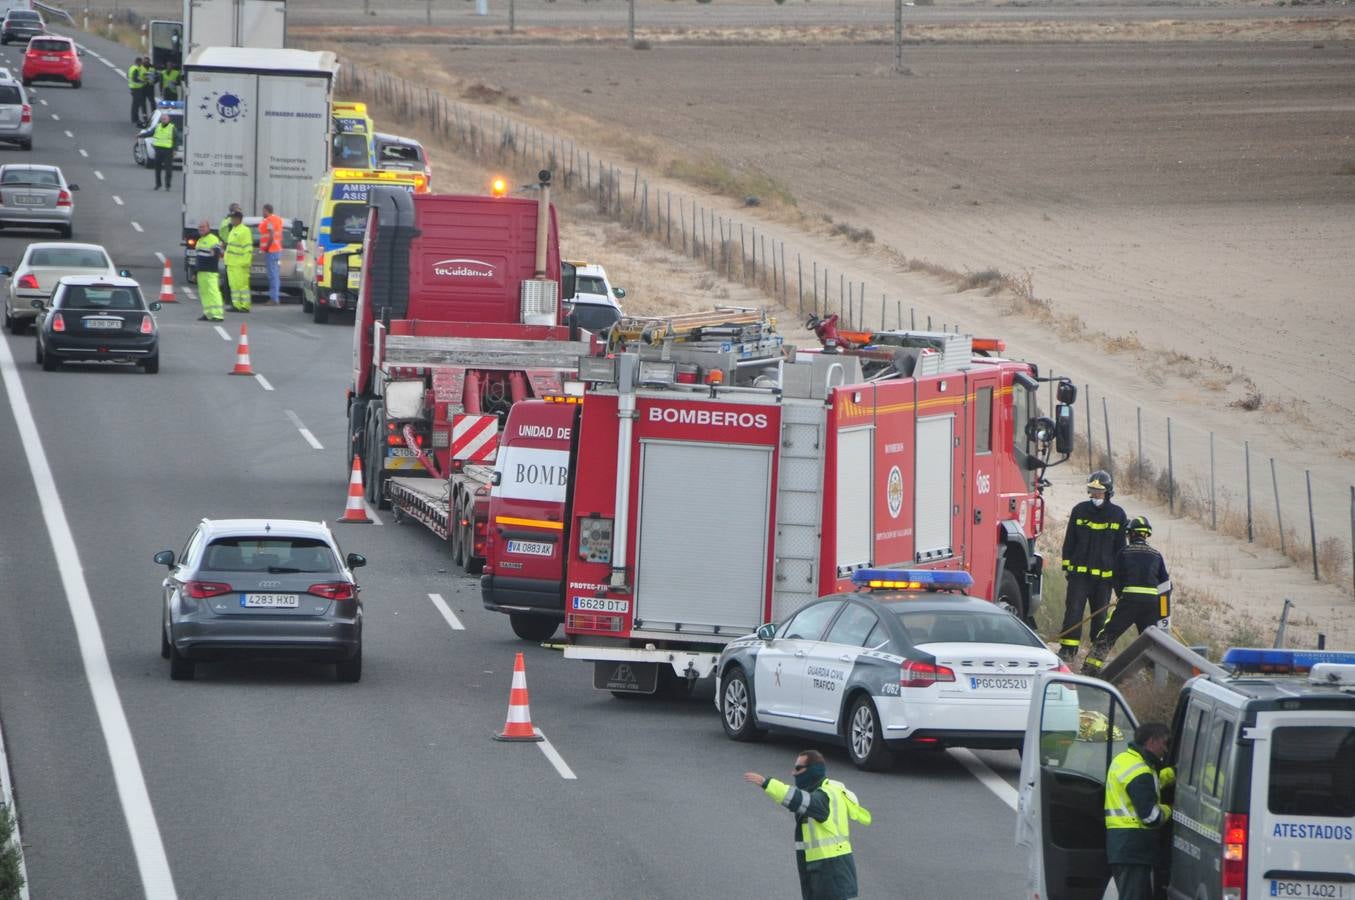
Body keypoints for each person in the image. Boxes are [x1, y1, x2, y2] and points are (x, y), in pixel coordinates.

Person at [743, 750, 872, 900]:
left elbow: (799, 800)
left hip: (830, 874)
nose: (793, 773)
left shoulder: (823, 797)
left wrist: (767, 784)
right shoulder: (826, 790)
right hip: (828, 871)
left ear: (812, 770)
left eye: (798, 768)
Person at [1083, 516, 1173, 676]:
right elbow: (1166, 584)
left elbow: (1116, 578)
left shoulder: (1124, 552)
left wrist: (1120, 596)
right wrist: (1163, 610)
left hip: (1129, 602)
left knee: (1109, 633)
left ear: (1131, 534)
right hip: (1152, 605)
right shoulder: (1156, 555)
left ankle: (1090, 669)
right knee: (1152, 641)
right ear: (1146, 535)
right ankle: (1153, 676)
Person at [1057, 469, 1128, 662]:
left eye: (1099, 491)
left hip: (1104, 580)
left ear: (1108, 492)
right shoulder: (1079, 510)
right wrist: (1067, 566)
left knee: (1100, 616)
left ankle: (1097, 653)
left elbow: (1121, 549)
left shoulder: (1118, 515)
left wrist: (1119, 577)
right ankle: (1068, 650)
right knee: (1073, 611)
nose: (1095, 494)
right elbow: (1069, 540)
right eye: (1092, 490)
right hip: (1079, 576)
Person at [1105, 722, 1173, 900]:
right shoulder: (1140, 771)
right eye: (1164, 743)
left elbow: (1148, 785)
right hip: (1134, 848)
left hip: (1123, 847)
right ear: (1152, 741)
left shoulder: (1125, 760)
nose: (1165, 749)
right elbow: (1151, 817)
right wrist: (1169, 810)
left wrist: (1171, 774)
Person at [191, 220, 224, 322]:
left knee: (213, 292)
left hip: (210, 271)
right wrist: (194, 273)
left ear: (208, 228)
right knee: (204, 293)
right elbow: (197, 259)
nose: (201, 229)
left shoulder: (213, 239)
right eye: (200, 227)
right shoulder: (200, 241)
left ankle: (218, 314)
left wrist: (215, 252)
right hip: (201, 272)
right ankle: (208, 314)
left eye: (203, 227)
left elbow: (218, 252)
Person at [223, 209, 253, 313]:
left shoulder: (244, 230)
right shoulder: (233, 230)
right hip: (231, 263)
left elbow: (248, 247)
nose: (231, 220)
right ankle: (236, 305)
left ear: (238, 219)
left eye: (233, 218)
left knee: (242, 286)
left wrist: (245, 262)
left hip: (240, 264)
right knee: (234, 286)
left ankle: (244, 306)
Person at [137, 111, 175, 191]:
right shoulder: (158, 127)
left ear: (168, 120)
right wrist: (140, 135)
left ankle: (167, 186)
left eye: (165, 119)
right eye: (162, 119)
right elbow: (150, 133)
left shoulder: (172, 128)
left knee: (168, 170)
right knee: (157, 169)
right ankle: (158, 185)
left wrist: (174, 148)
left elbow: (177, 139)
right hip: (158, 151)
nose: (163, 120)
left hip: (168, 151)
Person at [257, 203, 284, 305]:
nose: (262, 213)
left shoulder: (269, 220)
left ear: (266, 210)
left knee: (272, 275)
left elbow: (271, 235)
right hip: (276, 250)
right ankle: (275, 297)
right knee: (275, 275)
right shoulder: (278, 219)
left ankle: (274, 298)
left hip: (271, 251)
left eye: (263, 211)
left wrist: (267, 247)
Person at [128, 57, 148, 126]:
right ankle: (135, 119)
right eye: (141, 62)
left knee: (135, 105)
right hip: (136, 88)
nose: (141, 64)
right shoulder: (136, 69)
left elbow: (128, 75)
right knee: (136, 105)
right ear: (138, 62)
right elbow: (135, 79)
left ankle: (134, 119)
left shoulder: (132, 68)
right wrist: (142, 81)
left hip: (133, 88)